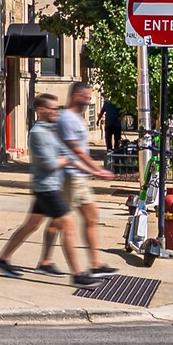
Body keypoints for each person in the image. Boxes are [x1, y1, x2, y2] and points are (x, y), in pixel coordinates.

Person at [0, 93, 98, 286]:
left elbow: (68, 155)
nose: (56, 112)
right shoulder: (38, 133)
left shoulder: (52, 130)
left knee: (31, 225)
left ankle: (1, 259)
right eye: (52, 108)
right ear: (41, 110)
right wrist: (64, 160)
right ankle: (78, 274)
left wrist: (93, 170)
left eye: (57, 108)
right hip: (47, 189)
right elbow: (49, 164)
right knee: (69, 226)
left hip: (49, 187)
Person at [38, 81, 114, 276]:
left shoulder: (76, 118)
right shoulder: (67, 119)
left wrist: (91, 171)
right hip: (69, 177)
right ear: (76, 96)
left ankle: (96, 264)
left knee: (90, 217)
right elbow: (77, 151)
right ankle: (48, 262)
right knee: (60, 222)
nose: (89, 101)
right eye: (86, 97)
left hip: (79, 177)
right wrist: (97, 170)